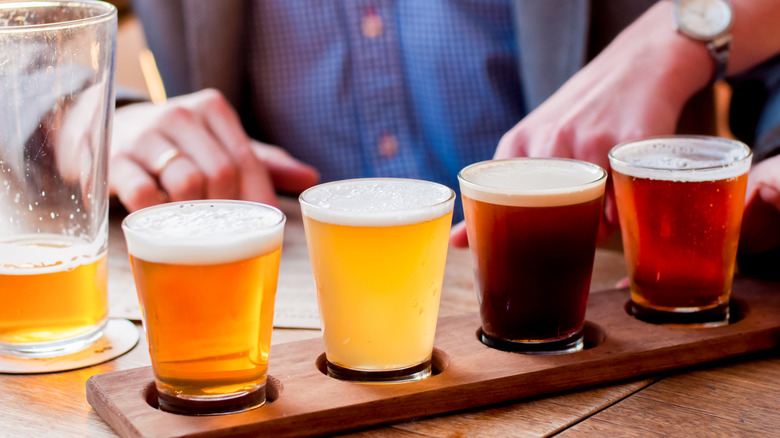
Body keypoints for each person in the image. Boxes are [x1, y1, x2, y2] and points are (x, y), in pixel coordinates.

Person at [112, 0, 780, 267]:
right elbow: (28, 49)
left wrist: (684, 33)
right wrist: (110, 117)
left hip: (617, 318)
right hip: (286, 319)